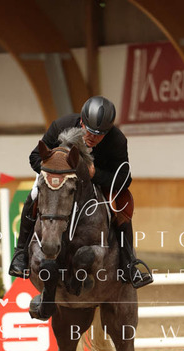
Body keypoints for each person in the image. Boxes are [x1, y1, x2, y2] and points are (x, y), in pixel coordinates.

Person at [8, 95, 153, 288]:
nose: (93, 138)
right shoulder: (62, 125)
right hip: (59, 179)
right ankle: (20, 254)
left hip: (97, 182)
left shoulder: (117, 140)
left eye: (100, 135)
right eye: (89, 131)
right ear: (82, 122)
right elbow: (35, 157)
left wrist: (96, 174)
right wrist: (57, 171)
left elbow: (125, 178)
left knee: (121, 203)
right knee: (34, 195)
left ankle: (128, 264)